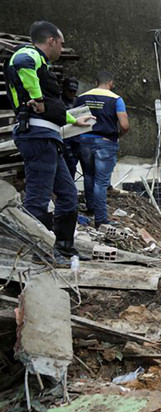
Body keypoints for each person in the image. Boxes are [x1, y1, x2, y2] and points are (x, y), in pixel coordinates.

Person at [6, 21, 94, 262]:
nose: (62, 48)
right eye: (61, 43)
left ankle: (64, 247)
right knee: (38, 198)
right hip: (37, 136)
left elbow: (52, 109)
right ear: (52, 41)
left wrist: (75, 122)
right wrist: (36, 97)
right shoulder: (28, 54)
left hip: (49, 139)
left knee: (68, 195)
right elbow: (22, 65)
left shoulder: (41, 65)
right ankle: (38, 253)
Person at [76, 70, 130, 228]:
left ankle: (91, 208)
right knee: (101, 182)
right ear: (111, 83)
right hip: (105, 142)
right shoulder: (116, 99)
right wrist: (118, 135)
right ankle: (100, 219)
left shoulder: (82, 97)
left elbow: (74, 119)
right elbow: (125, 125)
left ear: (95, 83)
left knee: (88, 175)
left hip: (84, 140)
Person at [60, 77, 81, 180]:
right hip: (63, 137)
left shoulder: (78, 101)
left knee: (72, 165)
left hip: (76, 137)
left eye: (74, 91)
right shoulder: (58, 101)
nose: (71, 93)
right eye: (69, 91)